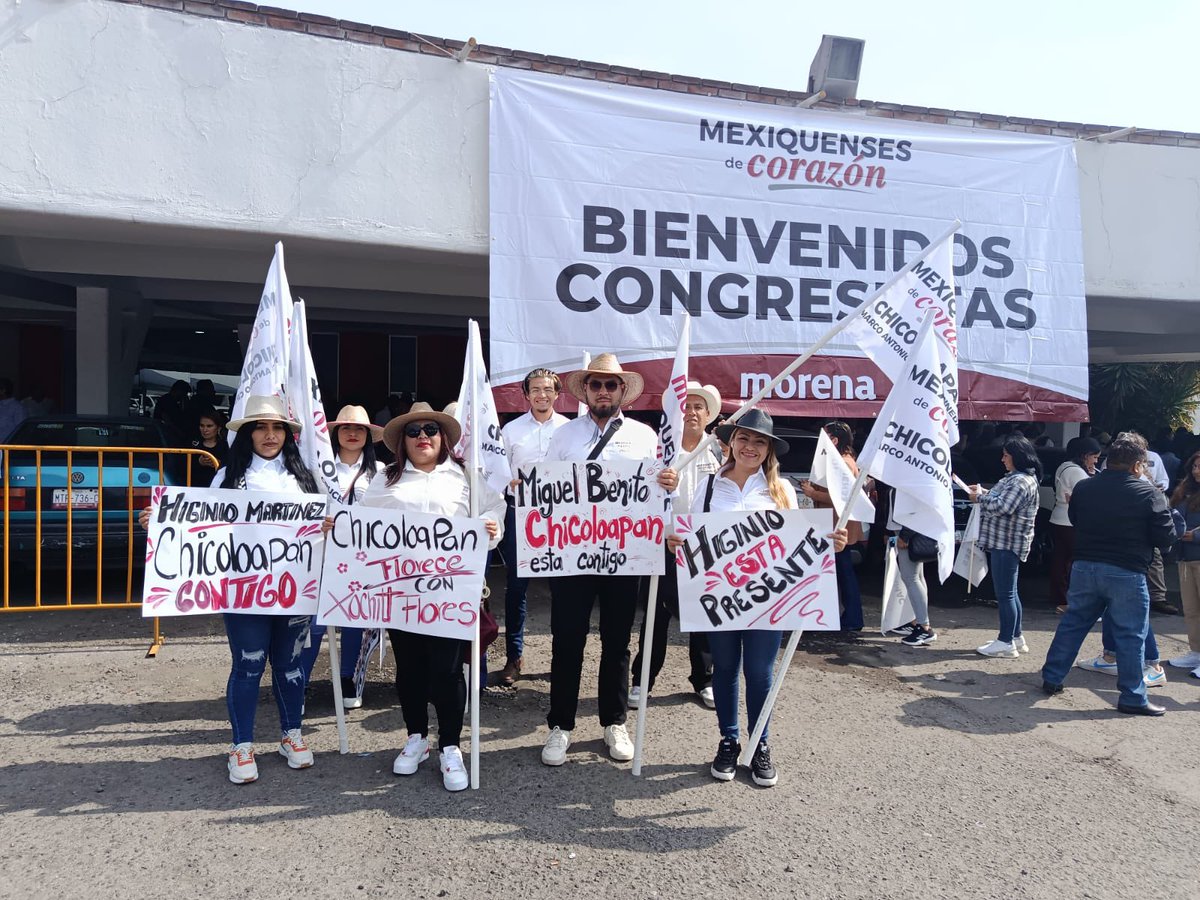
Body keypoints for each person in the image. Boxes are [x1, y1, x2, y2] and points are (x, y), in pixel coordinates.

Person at [141, 395, 322, 784]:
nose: (270, 435)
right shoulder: (228, 476)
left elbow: (322, 529)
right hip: (244, 591)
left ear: (288, 435)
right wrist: (161, 521)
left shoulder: (304, 478)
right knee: (249, 664)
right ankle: (241, 745)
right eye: (261, 427)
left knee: (290, 665)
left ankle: (292, 735)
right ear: (247, 434)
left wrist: (326, 527)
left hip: (294, 591)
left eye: (277, 428)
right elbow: (200, 524)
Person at [671, 408, 845, 786]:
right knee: (725, 667)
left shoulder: (781, 490)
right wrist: (677, 542)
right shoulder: (708, 487)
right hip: (721, 596)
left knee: (760, 671)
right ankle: (729, 740)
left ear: (769, 450)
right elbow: (692, 537)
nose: (750, 447)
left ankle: (760, 743)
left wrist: (830, 543)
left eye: (760, 442)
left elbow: (800, 542)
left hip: (769, 598)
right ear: (731, 442)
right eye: (744, 438)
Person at [538, 353, 679, 768]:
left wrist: (669, 482)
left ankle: (614, 721)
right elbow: (547, 491)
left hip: (624, 554)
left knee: (617, 641)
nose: (603, 391)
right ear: (585, 391)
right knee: (567, 640)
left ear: (622, 392)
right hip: (573, 554)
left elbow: (657, 494)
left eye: (611, 385)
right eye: (596, 384)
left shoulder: (644, 436)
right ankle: (560, 725)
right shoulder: (563, 437)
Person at [358, 402, 504, 792]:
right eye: (414, 431)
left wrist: (492, 525)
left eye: (430, 430)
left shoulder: (466, 477)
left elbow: (495, 509)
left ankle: (450, 745)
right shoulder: (384, 480)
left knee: (447, 670)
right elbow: (362, 526)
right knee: (410, 668)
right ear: (402, 441)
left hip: (450, 594)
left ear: (443, 438)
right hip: (401, 594)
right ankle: (417, 736)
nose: (423, 436)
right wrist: (336, 526)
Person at [1040, 432, 1177, 715]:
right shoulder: (1148, 493)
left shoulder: (1085, 487)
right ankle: (1133, 697)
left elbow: (1075, 519)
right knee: (1130, 635)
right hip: (1127, 571)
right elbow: (1165, 537)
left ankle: (1051, 677)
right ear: (1137, 465)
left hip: (1085, 565)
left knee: (1073, 623)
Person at [630, 381, 722, 708]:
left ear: (708, 414)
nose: (691, 413)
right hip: (664, 546)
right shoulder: (659, 451)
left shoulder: (720, 451)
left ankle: (704, 679)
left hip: (706, 547)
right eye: (686, 407)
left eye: (698, 407)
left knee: (704, 614)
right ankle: (642, 680)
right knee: (655, 617)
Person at [300, 405, 385, 710]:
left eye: (359, 429)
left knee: (355, 620)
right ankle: (299, 681)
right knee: (313, 623)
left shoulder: (381, 471)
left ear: (368, 436)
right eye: (346, 428)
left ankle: (349, 678)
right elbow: (303, 507)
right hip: (322, 555)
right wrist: (316, 524)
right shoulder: (316, 468)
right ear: (335, 433)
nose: (352, 433)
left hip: (362, 558)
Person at [495, 368, 569, 686]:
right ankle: (514, 656)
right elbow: (496, 473)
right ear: (526, 395)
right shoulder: (510, 431)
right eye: (536, 389)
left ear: (557, 394)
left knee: (563, 588)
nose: (542, 395)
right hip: (520, 513)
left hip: (560, 517)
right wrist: (507, 483)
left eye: (548, 389)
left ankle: (562, 658)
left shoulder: (569, 430)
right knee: (516, 587)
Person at [969, 435, 1042, 659]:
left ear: (1018, 456)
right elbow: (1001, 498)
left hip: (1006, 542)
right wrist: (983, 492)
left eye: (1006, 455)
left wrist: (979, 499)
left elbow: (1003, 506)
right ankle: (1015, 637)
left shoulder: (1020, 481)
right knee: (1010, 592)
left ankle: (1005, 641)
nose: (1002, 459)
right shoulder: (1019, 478)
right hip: (1006, 541)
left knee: (1005, 594)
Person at [800, 421, 867, 634]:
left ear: (834, 440)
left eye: (825, 436)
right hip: (835, 526)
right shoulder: (843, 460)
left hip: (838, 528)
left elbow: (842, 497)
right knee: (840, 573)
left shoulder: (844, 463)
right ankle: (846, 617)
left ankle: (852, 618)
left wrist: (813, 493)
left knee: (843, 573)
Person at [1049, 437, 1101, 614]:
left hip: (1058, 518)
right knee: (1075, 562)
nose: (1096, 461)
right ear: (1084, 455)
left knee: (1060, 560)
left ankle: (1059, 597)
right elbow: (1088, 497)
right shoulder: (1077, 472)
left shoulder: (1064, 466)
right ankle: (1071, 600)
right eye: (1094, 457)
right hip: (1071, 521)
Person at [1167, 451, 1200, 675]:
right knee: (1190, 609)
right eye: (1195, 466)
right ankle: (1196, 651)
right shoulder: (1185, 490)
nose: (1196, 471)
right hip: (1185, 557)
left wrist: (1195, 536)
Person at [188, 408, 229, 488]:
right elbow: (181, 467)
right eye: (202, 426)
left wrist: (218, 463)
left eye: (209, 426)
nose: (205, 430)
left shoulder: (225, 446)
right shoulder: (193, 444)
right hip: (194, 487)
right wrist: (199, 462)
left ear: (218, 428)